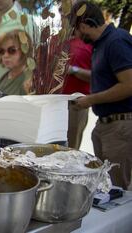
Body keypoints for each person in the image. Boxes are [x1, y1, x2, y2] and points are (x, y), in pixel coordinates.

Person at [71, 1, 132, 190]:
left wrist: (90, 100)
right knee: (103, 186)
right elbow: (104, 77)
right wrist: (73, 70)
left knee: (117, 190)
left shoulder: (116, 41)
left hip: (120, 127)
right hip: (105, 125)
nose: (77, 36)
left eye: (76, 30)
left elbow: (129, 84)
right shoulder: (102, 44)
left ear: (83, 26)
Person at [62, 28, 93, 149]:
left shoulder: (91, 45)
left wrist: (73, 70)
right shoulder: (56, 41)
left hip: (75, 104)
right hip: (53, 101)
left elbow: (99, 76)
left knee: (71, 149)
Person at [0, 29, 33, 95]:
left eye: (12, 50)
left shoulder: (30, 81)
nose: (5, 55)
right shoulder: (5, 76)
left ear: (24, 50)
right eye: (1, 51)